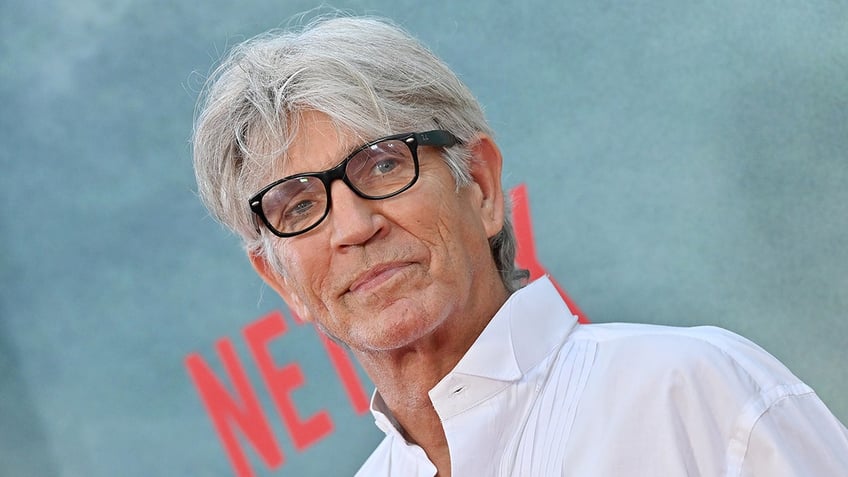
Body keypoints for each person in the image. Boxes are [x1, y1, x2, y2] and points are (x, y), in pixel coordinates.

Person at [192, 15, 848, 476]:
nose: (354, 225)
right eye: (299, 205)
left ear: (479, 183)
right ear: (282, 282)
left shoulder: (693, 394)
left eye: (384, 165)